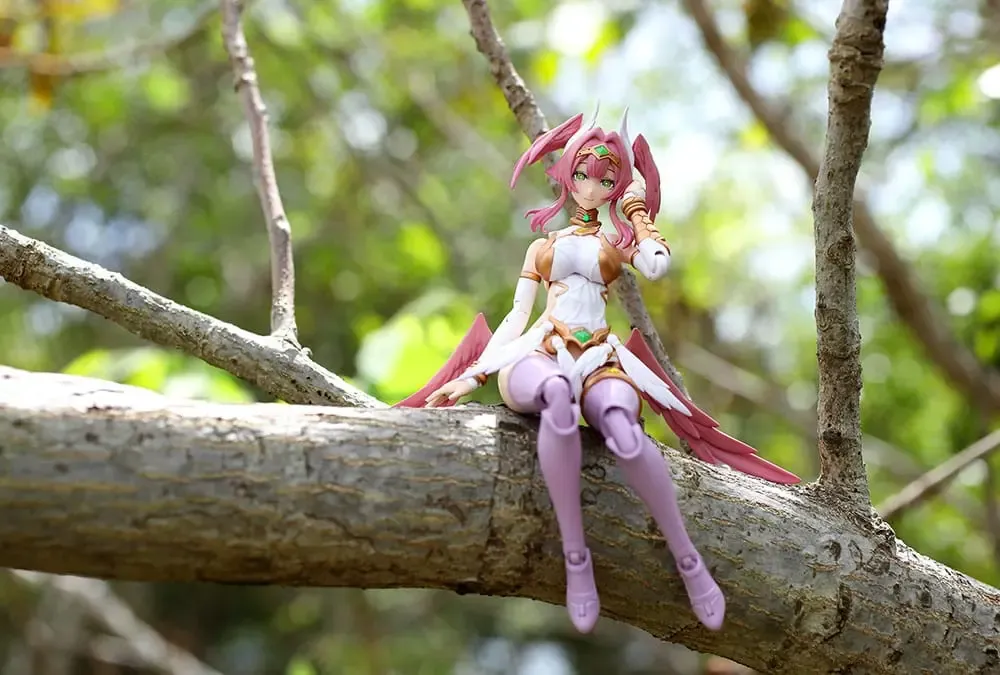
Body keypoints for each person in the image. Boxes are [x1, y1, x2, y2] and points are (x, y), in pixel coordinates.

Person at [395, 106, 799, 634]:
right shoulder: (543, 245)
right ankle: (575, 557)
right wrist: (475, 374)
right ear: (568, 175)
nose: (591, 187)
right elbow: (517, 316)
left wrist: (637, 212)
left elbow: (657, 265)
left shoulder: (615, 245)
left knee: (624, 431)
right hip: (542, 351)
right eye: (584, 175)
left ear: (615, 186)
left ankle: (686, 556)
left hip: (600, 356)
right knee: (556, 397)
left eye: (605, 180)